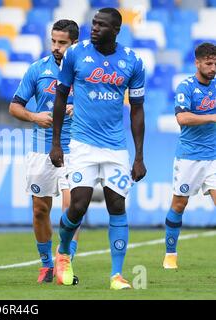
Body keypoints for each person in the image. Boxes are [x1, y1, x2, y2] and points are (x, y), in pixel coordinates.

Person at [49, 8, 147, 290]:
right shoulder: (75, 54)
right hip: (82, 144)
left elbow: (138, 110)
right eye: (93, 23)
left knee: (117, 204)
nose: (94, 28)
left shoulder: (133, 61)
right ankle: (64, 252)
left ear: (116, 30)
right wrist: (57, 143)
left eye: (101, 25)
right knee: (78, 206)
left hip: (116, 147)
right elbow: (59, 99)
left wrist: (139, 155)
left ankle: (116, 275)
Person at [9, 20, 80, 283]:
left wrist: (79, 109)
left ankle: (65, 260)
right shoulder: (37, 69)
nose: (56, 47)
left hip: (75, 147)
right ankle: (46, 264)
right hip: (42, 149)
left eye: (62, 43)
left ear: (74, 43)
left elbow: (104, 104)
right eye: (54, 41)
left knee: (71, 207)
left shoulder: (84, 71)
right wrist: (34, 116)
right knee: (40, 210)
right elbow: (14, 107)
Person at [163, 42, 216, 269]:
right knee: (179, 205)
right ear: (197, 63)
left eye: (215, 63)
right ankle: (170, 254)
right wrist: (212, 117)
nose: (213, 68)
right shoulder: (185, 87)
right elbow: (182, 119)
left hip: (213, 156)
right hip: (189, 157)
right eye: (209, 63)